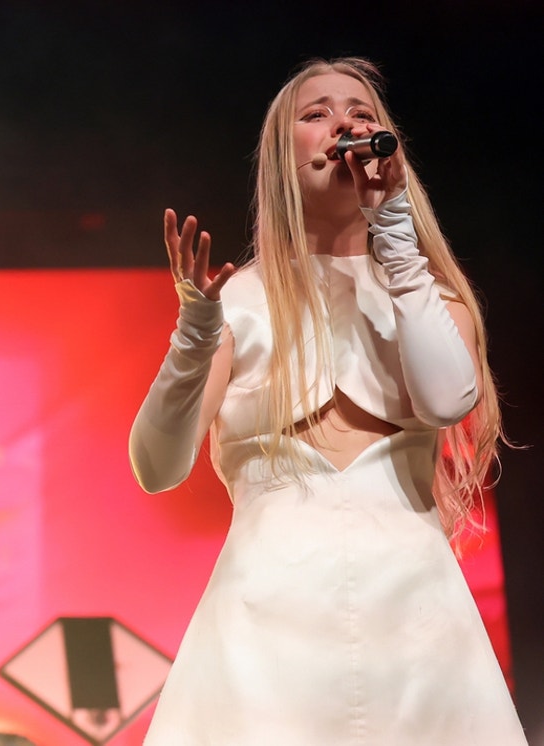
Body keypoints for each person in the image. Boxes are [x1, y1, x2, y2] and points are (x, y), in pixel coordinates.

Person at [129, 57, 527, 744]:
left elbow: (443, 400)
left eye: (361, 113)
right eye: (315, 114)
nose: (344, 122)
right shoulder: (239, 304)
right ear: (281, 158)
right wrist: (195, 337)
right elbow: (156, 468)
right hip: (262, 625)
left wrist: (398, 243)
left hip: (418, 627)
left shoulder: (431, 299)